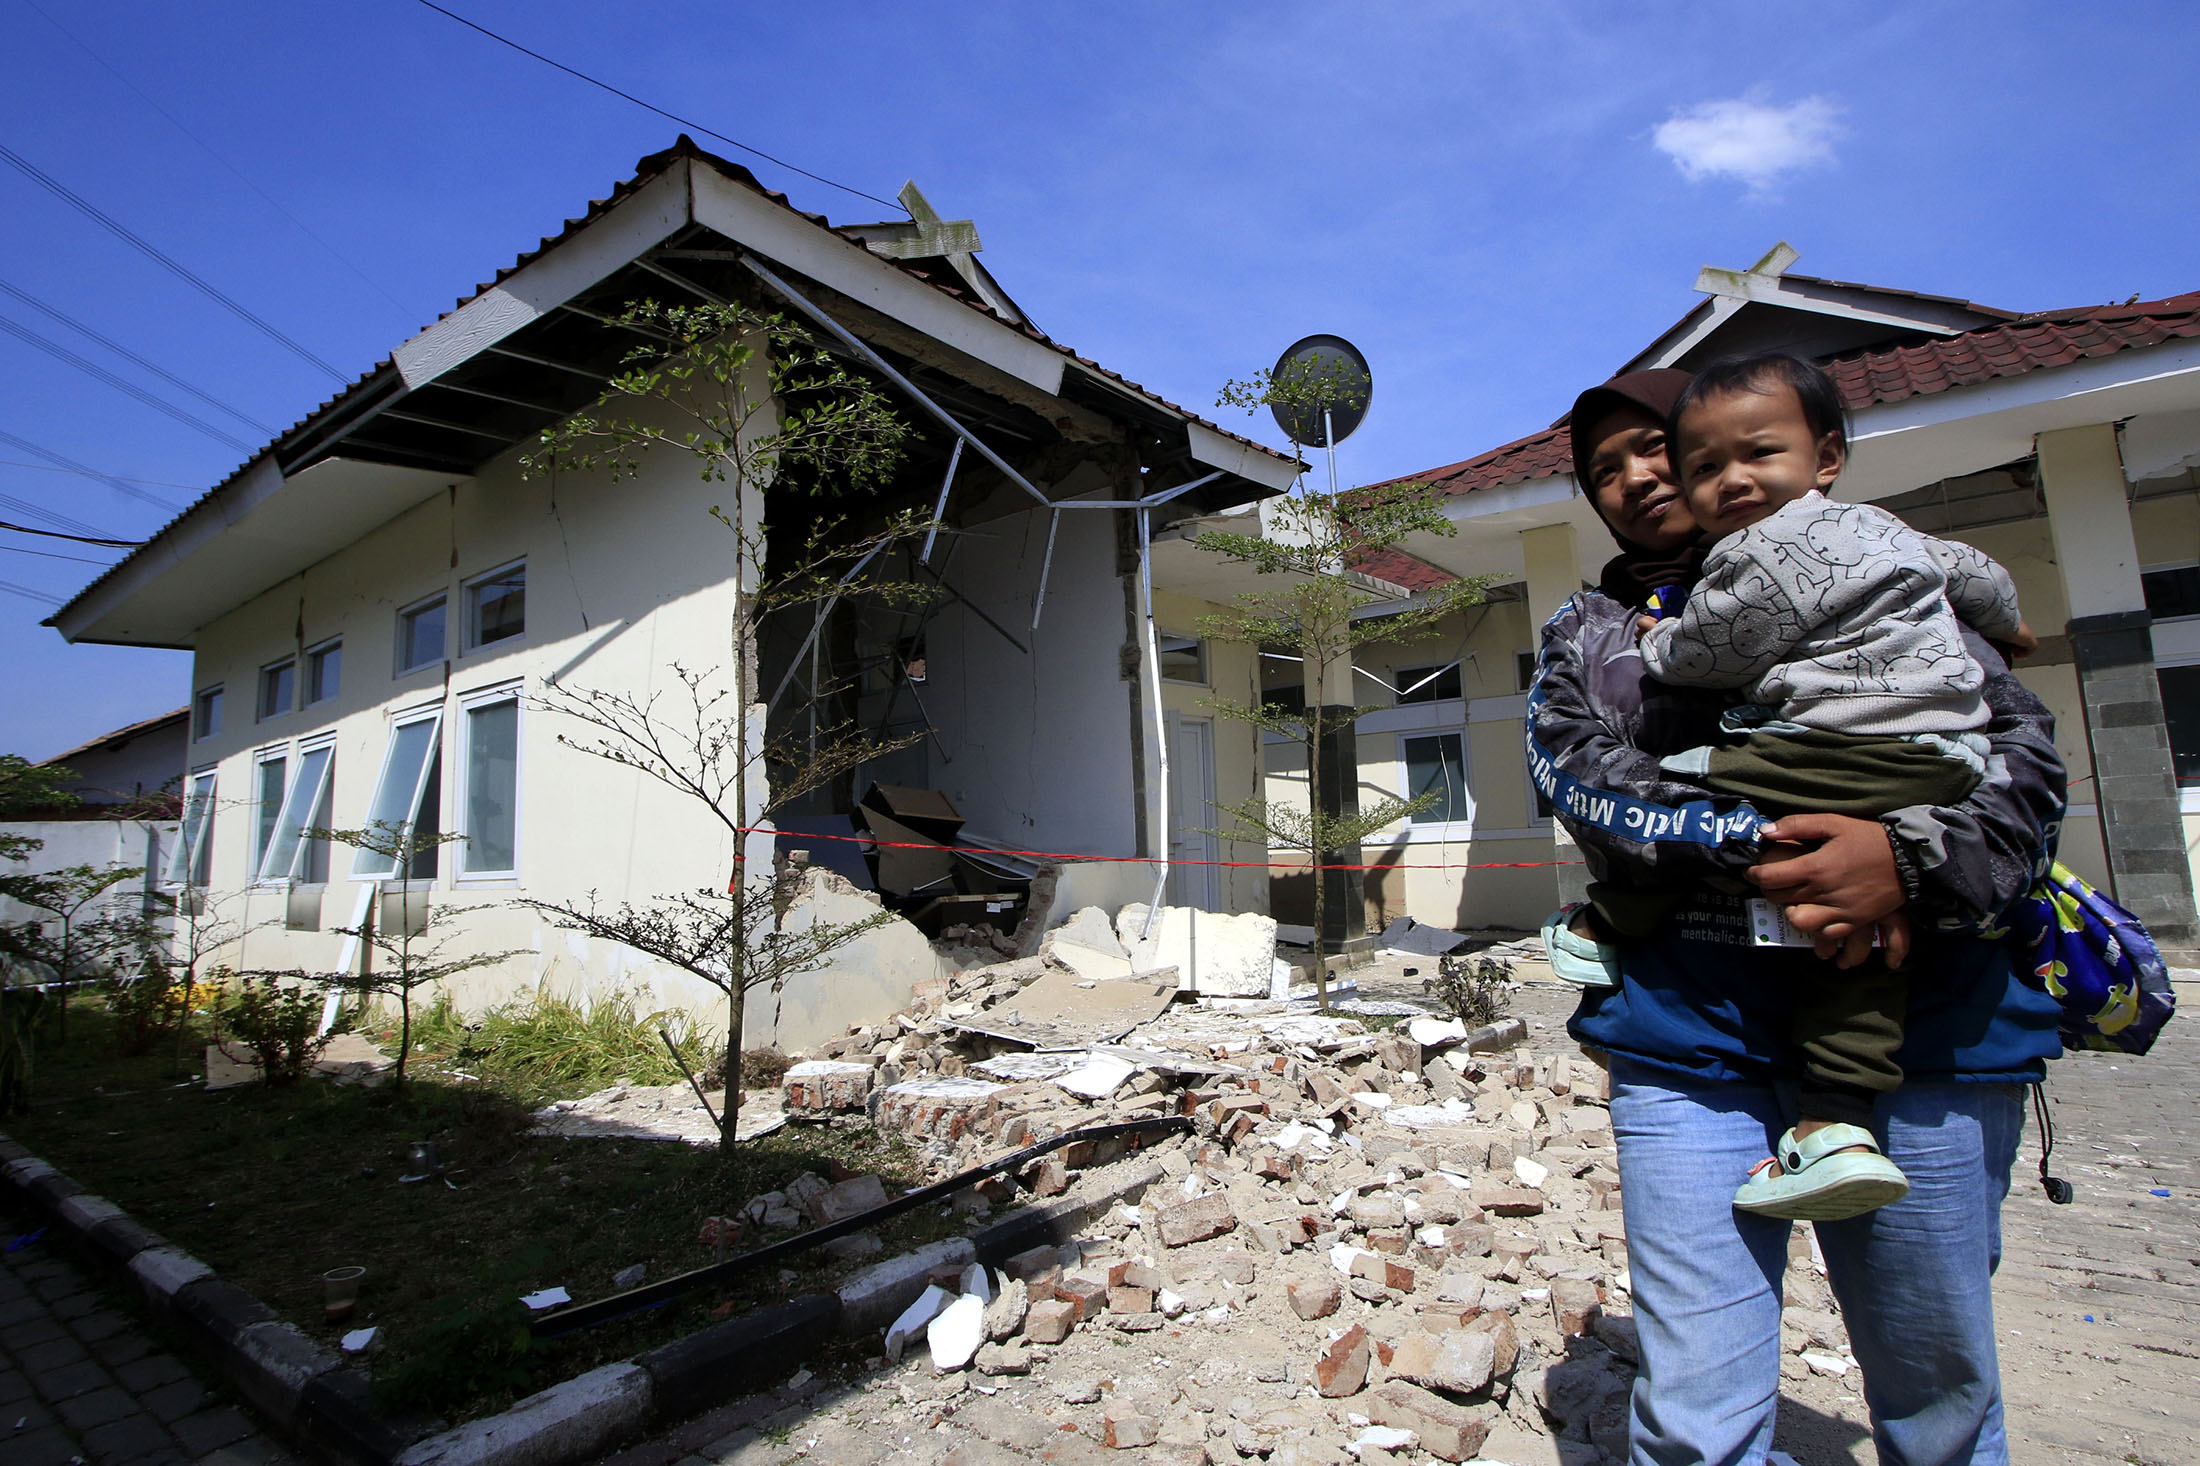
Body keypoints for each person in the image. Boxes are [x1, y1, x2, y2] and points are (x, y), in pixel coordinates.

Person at [1527, 366, 2065, 1466]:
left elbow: (2023, 773)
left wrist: (1900, 859)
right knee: (1693, 1420)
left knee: (1937, 1397)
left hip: (1923, 1035)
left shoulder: (1880, 567)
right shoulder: (1592, 631)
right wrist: (1769, 840)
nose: (1637, 477)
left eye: (1655, 447)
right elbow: (1578, 776)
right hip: (1691, 1036)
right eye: (1602, 470)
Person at [1623, 353, 2030, 1221]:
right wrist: (2003, 621)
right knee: (1857, 942)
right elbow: (1982, 578)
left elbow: (1708, 653)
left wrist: (1655, 643)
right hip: (1941, 762)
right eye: (1705, 468)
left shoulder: (1763, 555)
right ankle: (1837, 1124)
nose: (1731, 480)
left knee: (1691, 783)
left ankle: (1604, 920)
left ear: (1826, 455)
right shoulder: (1898, 536)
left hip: (1843, 754)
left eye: (1757, 454)